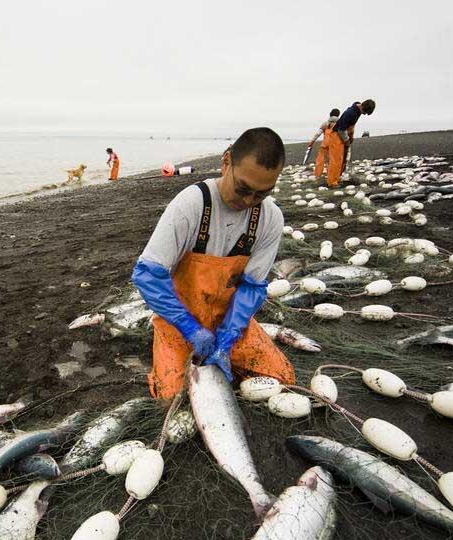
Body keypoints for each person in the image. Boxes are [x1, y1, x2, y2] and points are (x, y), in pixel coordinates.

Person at [131, 127, 296, 402]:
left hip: (228, 322)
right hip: (180, 322)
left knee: (281, 380)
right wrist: (189, 328)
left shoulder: (270, 219)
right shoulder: (192, 205)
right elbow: (148, 274)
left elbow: (253, 287)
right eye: (242, 189)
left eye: (260, 194)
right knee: (173, 396)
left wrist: (228, 336)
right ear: (226, 161)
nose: (247, 201)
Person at [326, 99, 376, 187]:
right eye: (364, 112)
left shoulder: (357, 111)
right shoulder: (351, 113)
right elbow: (341, 129)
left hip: (343, 135)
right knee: (336, 160)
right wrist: (347, 141)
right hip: (336, 136)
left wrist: (351, 136)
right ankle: (332, 182)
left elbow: (351, 126)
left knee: (341, 159)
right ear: (363, 107)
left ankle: (337, 178)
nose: (364, 114)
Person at [307, 108, 341, 181]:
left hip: (325, 144)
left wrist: (312, 142)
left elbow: (318, 134)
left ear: (330, 114)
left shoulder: (326, 123)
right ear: (338, 115)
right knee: (333, 161)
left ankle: (317, 175)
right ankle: (331, 176)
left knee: (320, 160)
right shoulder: (340, 124)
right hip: (335, 145)